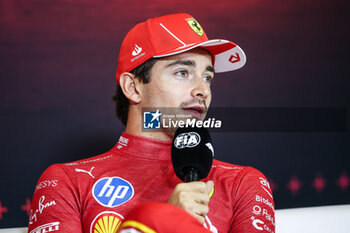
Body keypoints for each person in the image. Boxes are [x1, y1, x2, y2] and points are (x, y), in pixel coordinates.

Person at [27, 13, 275, 233]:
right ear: (133, 87)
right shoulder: (67, 182)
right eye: (182, 73)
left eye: (208, 77)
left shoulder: (242, 183)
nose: (202, 90)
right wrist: (161, 223)